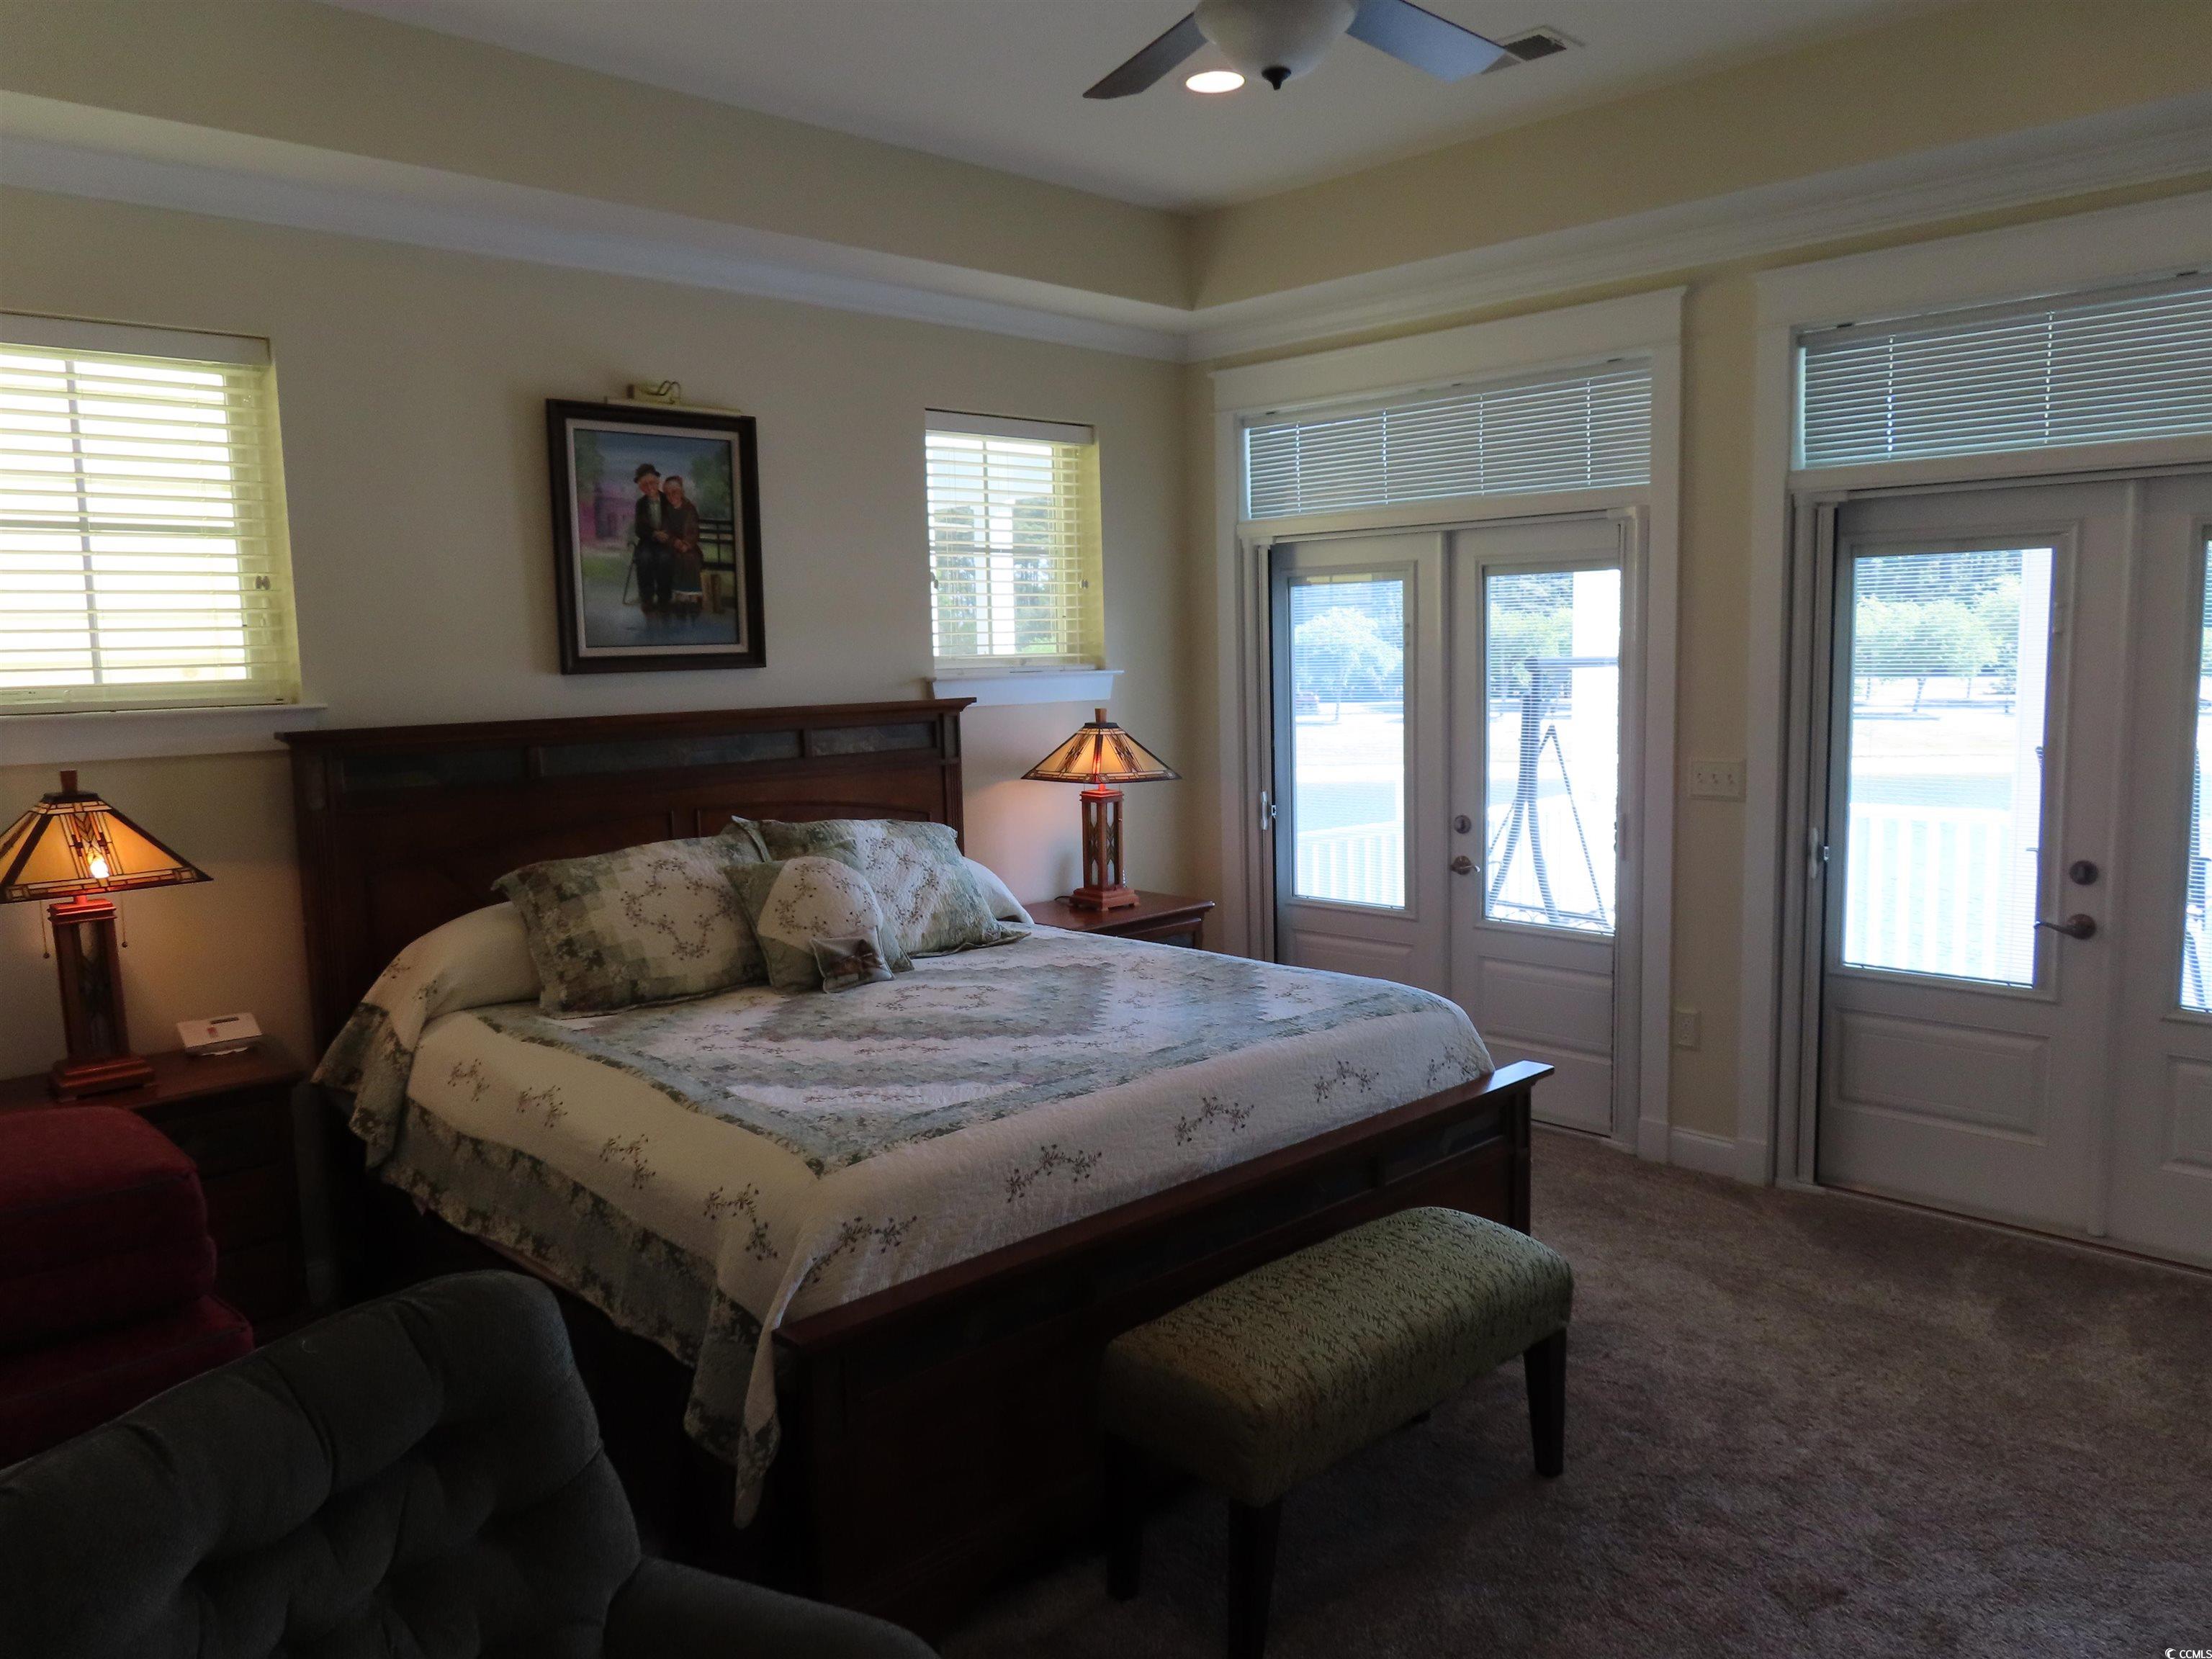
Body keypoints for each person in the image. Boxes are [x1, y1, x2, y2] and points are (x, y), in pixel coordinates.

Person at [631, 463, 673, 616]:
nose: (649, 487)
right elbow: (639, 529)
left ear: (657, 482)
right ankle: (647, 599)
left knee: (665, 558)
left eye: (652, 483)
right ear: (641, 487)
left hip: (666, 541)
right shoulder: (641, 504)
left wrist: (665, 534)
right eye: (645, 485)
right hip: (648, 541)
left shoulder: (668, 500)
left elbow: (675, 522)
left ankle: (664, 600)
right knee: (644, 558)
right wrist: (654, 534)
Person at [662, 474, 703, 607]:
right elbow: (666, 531)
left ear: (681, 492)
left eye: (674, 492)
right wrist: (675, 542)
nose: (671, 496)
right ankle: (679, 596)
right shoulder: (666, 511)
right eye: (667, 494)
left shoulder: (690, 509)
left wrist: (687, 544)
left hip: (689, 546)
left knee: (690, 558)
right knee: (674, 558)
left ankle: (691, 596)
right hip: (672, 546)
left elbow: (694, 531)